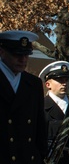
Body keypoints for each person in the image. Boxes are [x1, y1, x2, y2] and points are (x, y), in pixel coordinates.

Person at [0, 30, 47, 164]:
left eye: (26, 54)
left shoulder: (33, 83)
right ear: (2, 51)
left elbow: (39, 128)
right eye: (17, 54)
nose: (23, 59)